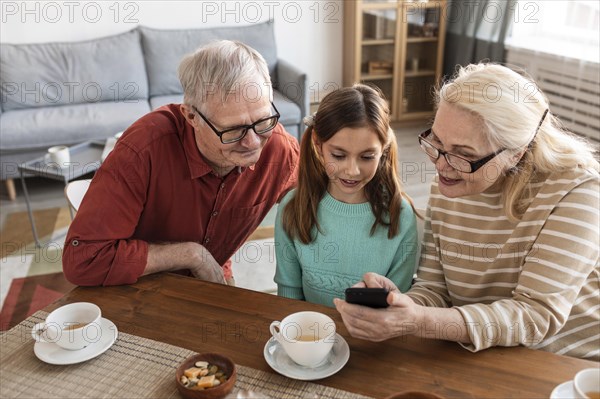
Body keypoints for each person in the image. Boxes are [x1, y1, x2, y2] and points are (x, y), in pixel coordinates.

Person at [334, 64, 599, 361]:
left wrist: (420, 321)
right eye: (436, 142)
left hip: (568, 366)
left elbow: (535, 316)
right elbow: (435, 289)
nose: (442, 166)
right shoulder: (449, 184)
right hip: (482, 356)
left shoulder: (579, 191)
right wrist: (399, 305)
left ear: (517, 152)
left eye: (464, 154)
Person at [63, 40, 299, 286]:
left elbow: (321, 205)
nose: (252, 142)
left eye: (263, 121)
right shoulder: (142, 150)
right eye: (233, 130)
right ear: (191, 116)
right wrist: (191, 255)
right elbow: (83, 260)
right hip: (138, 283)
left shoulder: (279, 149)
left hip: (214, 273)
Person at [274, 84, 419, 307]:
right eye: (339, 155)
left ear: (384, 150)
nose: (352, 170)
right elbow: (289, 295)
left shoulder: (400, 215)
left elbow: (398, 303)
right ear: (318, 145)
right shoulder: (292, 208)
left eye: (367, 156)